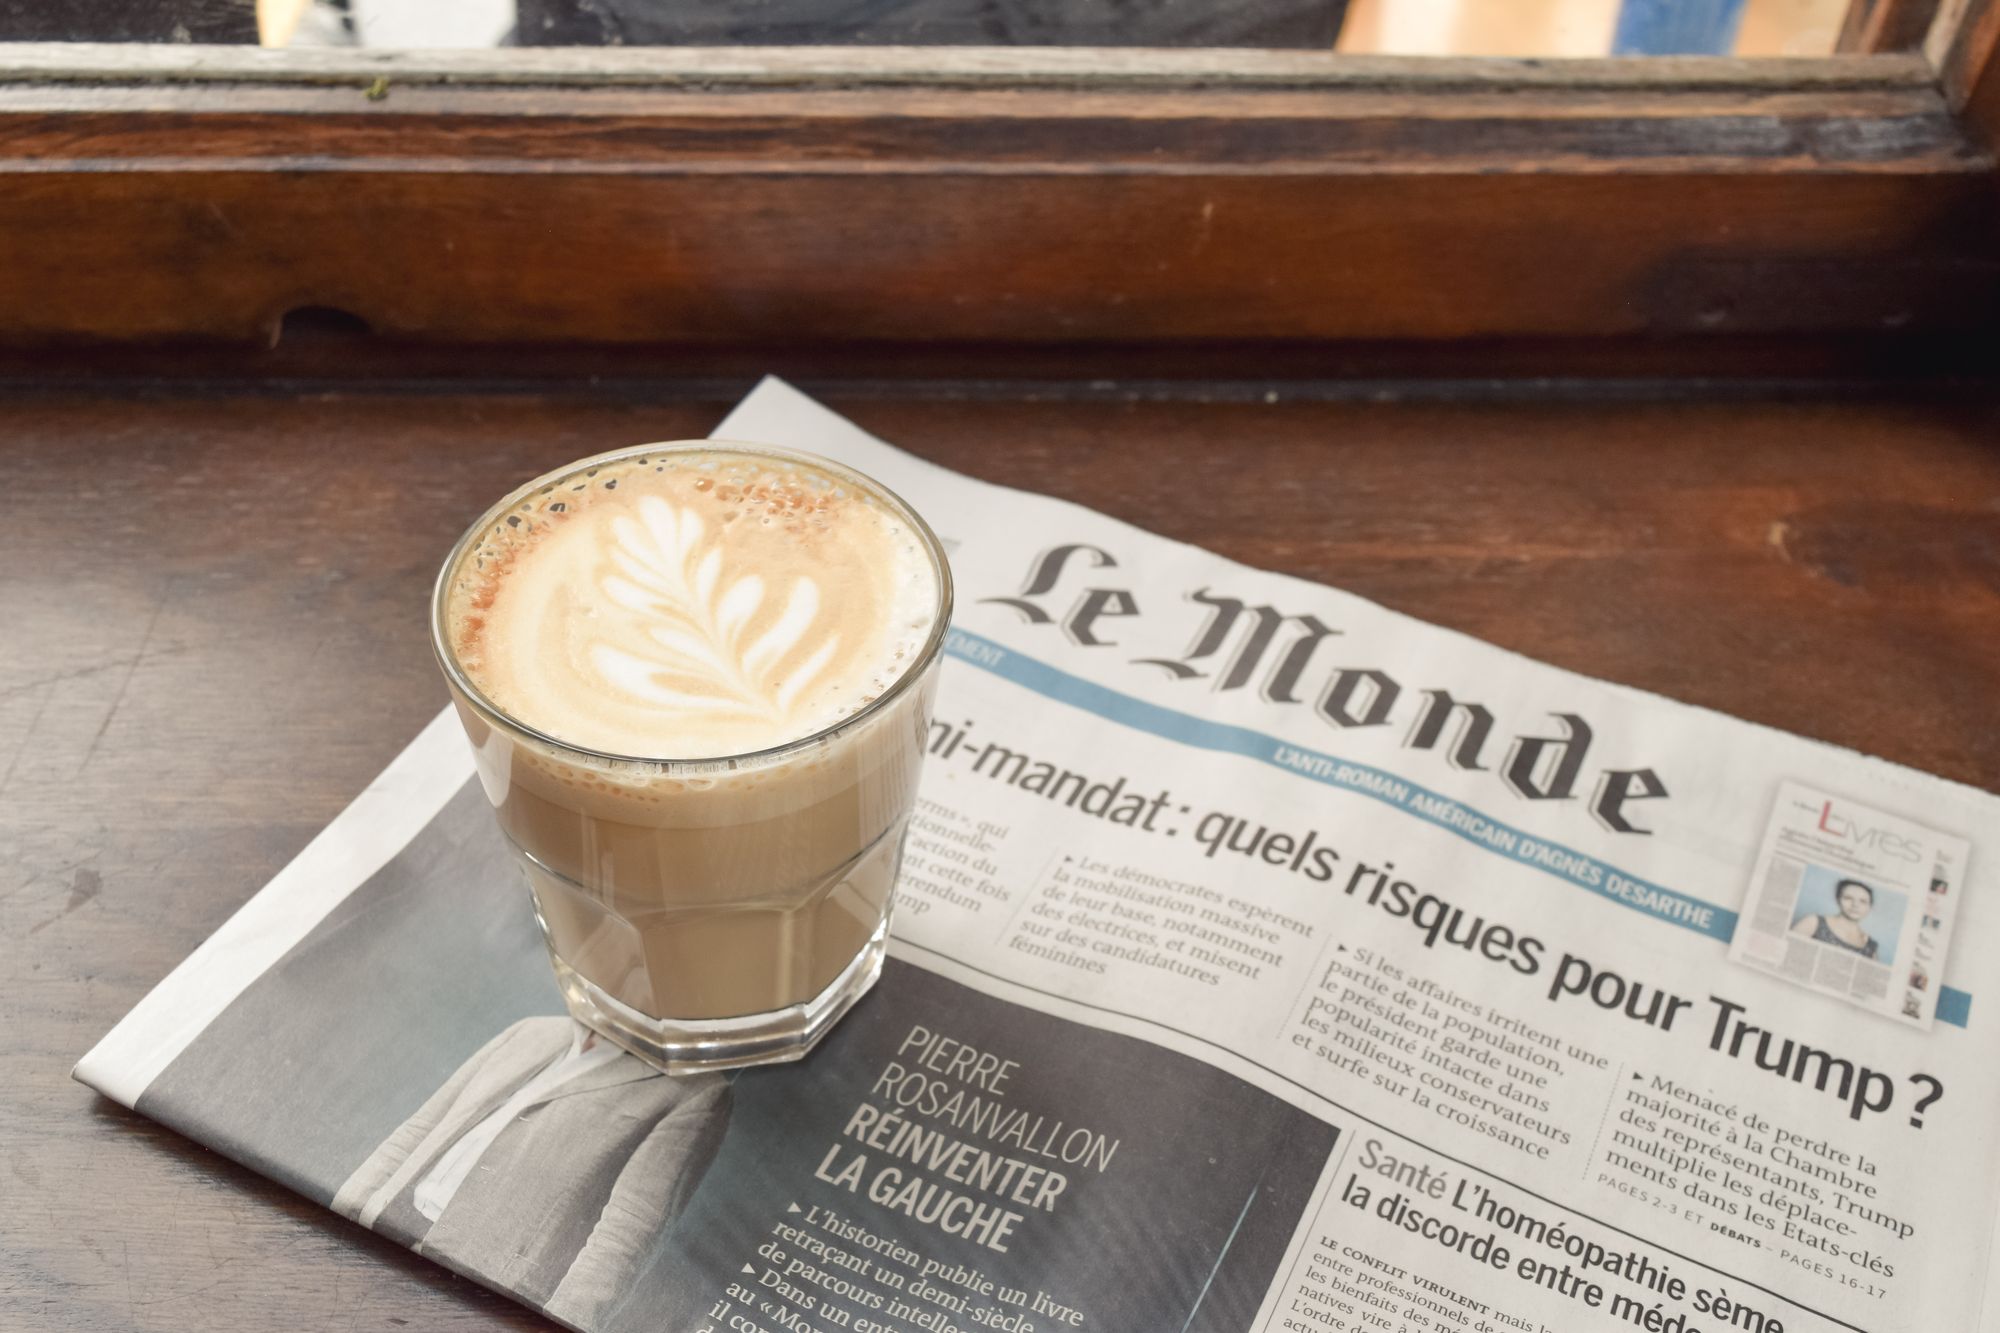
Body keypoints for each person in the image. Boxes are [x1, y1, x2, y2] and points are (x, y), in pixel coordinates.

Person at [332, 1016, 730, 1328]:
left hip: (483, 1289)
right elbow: (420, 1128)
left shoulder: (695, 1092)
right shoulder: (530, 1030)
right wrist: (344, 1211)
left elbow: (627, 1235)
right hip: (380, 1231)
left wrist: (559, 1322)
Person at [1790, 878, 1881, 959]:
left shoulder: (1870, 946)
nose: (1855, 905)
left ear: (1869, 907)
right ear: (1838, 900)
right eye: (1848, 898)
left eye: (1863, 901)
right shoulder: (1813, 922)